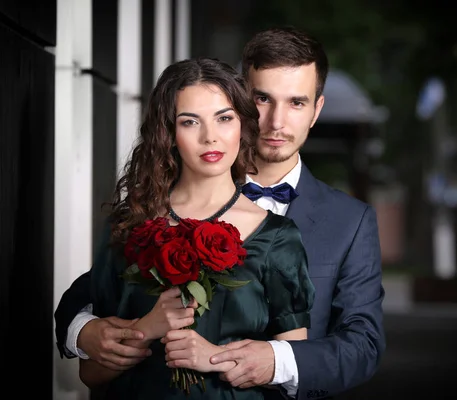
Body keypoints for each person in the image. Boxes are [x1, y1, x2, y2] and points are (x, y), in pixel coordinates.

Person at [55, 26, 385, 400]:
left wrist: (273, 360)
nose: (276, 122)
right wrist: (83, 331)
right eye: (262, 98)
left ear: (315, 110)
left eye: (296, 102)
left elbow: (364, 344)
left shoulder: (350, 222)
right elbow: (90, 298)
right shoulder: (154, 209)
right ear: (240, 96)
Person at [72, 57, 315, 399]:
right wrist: (148, 327)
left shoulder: (279, 237)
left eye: (224, 118)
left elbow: (294, 373)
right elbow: (91, 375)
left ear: (243, 126)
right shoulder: (129, 226)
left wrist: (212, 358)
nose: (210, 137)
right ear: (168, 132)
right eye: (190, 122)